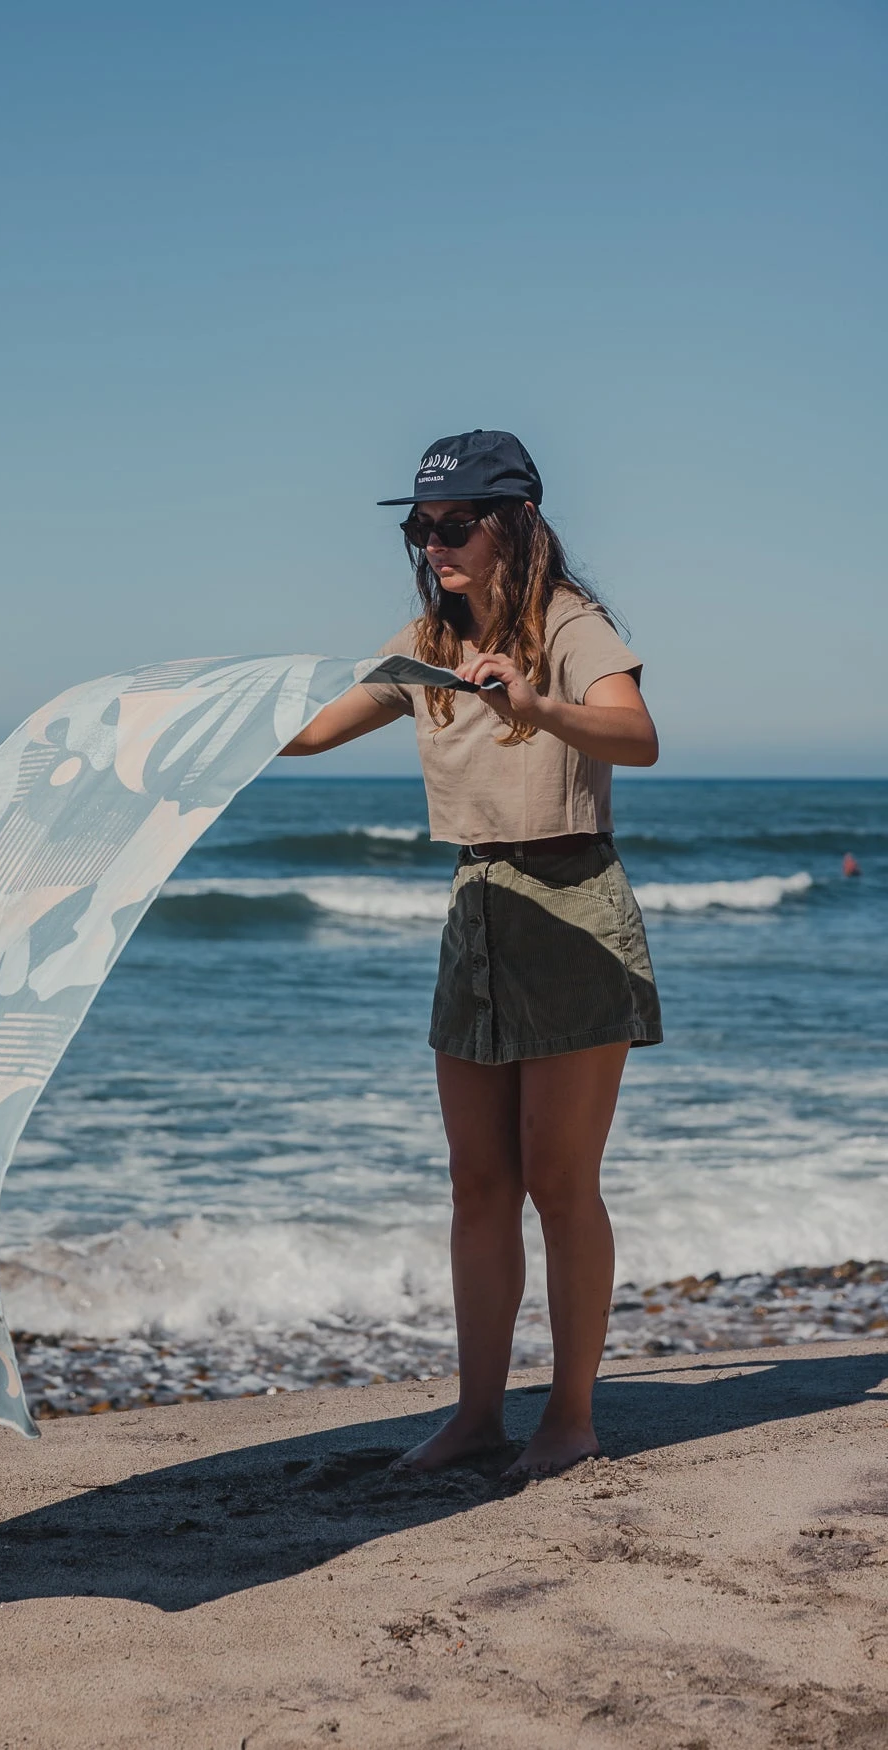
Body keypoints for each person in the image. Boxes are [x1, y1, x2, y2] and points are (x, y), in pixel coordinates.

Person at [279, 430, 663, 1477]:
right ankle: (477, 1416)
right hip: (477, 908)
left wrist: (534, 705)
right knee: (477, 1181)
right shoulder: (425, 641)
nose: (433, 542)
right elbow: (309, 733)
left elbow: (636, 736)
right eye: (421, 525)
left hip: (572, 906)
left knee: (558, 1180)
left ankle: (570, 1417)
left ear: (515, 523)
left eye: (455, 524)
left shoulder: (566, 623)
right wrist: (182, 721)